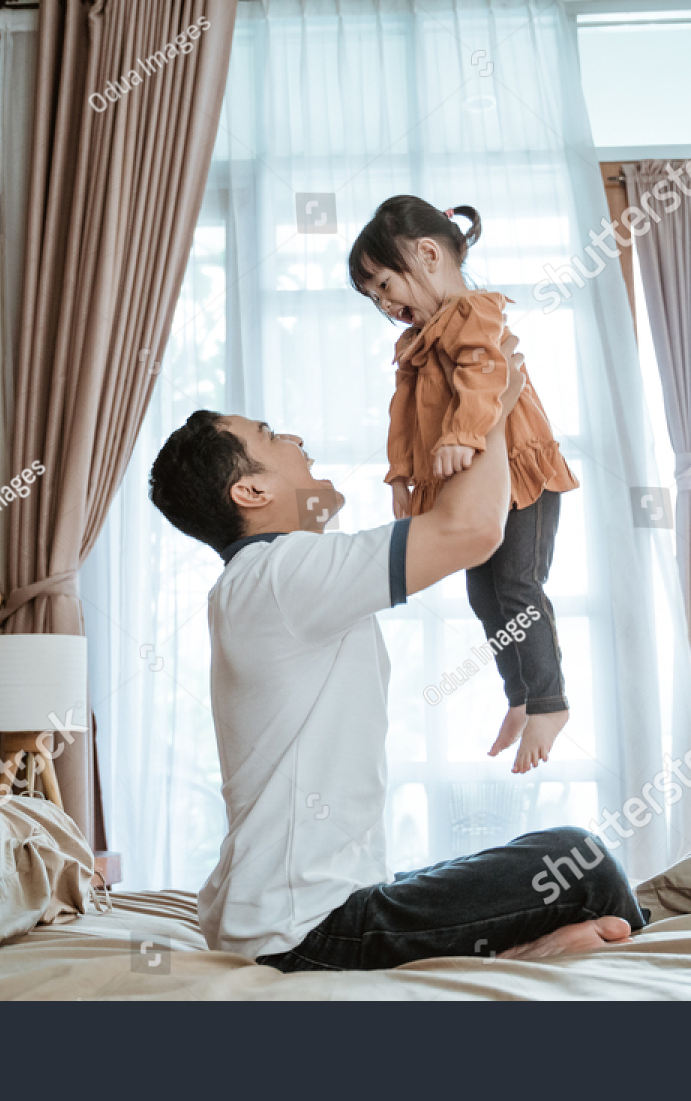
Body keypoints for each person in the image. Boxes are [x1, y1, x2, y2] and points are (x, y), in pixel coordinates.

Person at [147, 346, 645, 972]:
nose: (295, 437)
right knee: (584, 863)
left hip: (305, 914)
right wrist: (492, 404)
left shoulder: (268, 581)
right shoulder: (281, 572)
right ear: (250, 489)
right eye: (271, 436)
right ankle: (600, 956)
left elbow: (462, 541)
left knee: (533, 865)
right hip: (306, 933)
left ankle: (523, 949)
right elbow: (470, 532)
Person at [349, 196, 578, 774]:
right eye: (374, 297)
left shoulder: (475, 313)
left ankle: (550, 701)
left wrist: (465, 433)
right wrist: (403, 476)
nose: (383, 302)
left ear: (428, 254)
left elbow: (486, 374)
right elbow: (403, 417)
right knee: (485, 596)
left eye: (384, 284)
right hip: (474, 480)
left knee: (519, 584)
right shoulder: (415, 344)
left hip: (519, 470)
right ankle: (521, 695)